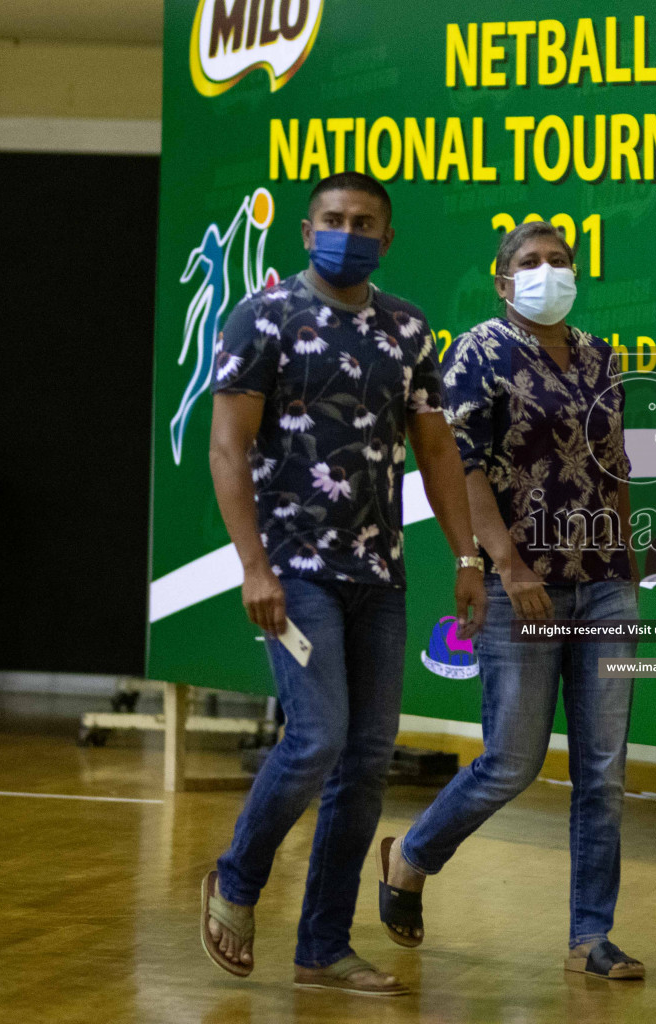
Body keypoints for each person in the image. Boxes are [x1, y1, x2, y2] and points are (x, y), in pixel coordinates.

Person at [199, 172, 487, 996]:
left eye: (364, 222)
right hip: (294, 570)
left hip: (379, 576)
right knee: (316, 737)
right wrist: (252, 566)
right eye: (332, 219)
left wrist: (467, 558)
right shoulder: (264, 317)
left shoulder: (407, 328)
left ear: (387, 239)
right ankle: (237, 879)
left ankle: (323, 944)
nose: (347, 231)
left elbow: (436, 450)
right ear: (305, 229)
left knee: (365, 762)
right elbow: (228, 447)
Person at [376, 221, 646, 981]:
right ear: (502, 282)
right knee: (510, 761)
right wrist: (508, 567)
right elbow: (463, 469)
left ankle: (589, 936)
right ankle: (412, 854)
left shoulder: (601, 357)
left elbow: (614, 466)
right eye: (529, 263)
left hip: (602, 585)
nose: (547, 272)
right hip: (520, 584)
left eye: (558, 261)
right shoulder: (478, 352)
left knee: (605, 768)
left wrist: (626, 568)